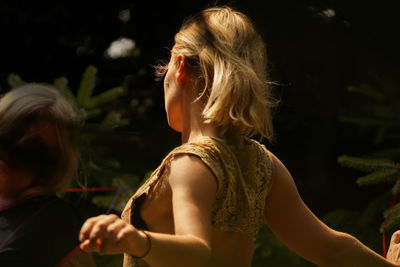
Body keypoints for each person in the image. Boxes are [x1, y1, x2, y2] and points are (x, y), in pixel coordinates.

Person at [78, 6, 400, 267]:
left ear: (180, 67)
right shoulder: (263, 167)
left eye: (164, 75)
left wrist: (137, 241)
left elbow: (196, 250)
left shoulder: (190, 163)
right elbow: (332, 249)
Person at [0, 83, 95, 267]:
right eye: (7, 132)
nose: (9, 151)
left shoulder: (51, 226)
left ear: (52, 167)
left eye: (31, 149)